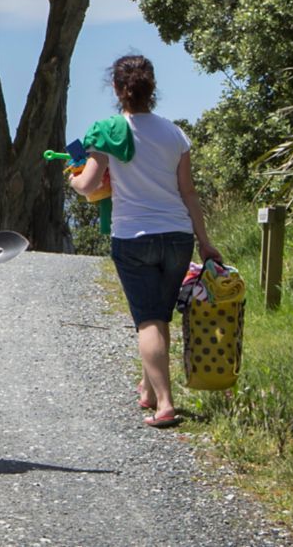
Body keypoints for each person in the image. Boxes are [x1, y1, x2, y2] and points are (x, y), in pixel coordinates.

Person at [68, 54, 222, 428]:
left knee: (148, 320)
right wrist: (205, 242)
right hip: (178, 237)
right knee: (159, 316)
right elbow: (189, 193)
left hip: (133, 237)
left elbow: (88, 185)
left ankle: (165, 403)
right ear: (151, 89)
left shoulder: (108, 131)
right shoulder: (175, 134)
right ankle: (149, 389)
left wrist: (71, 179)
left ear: (118, 89)